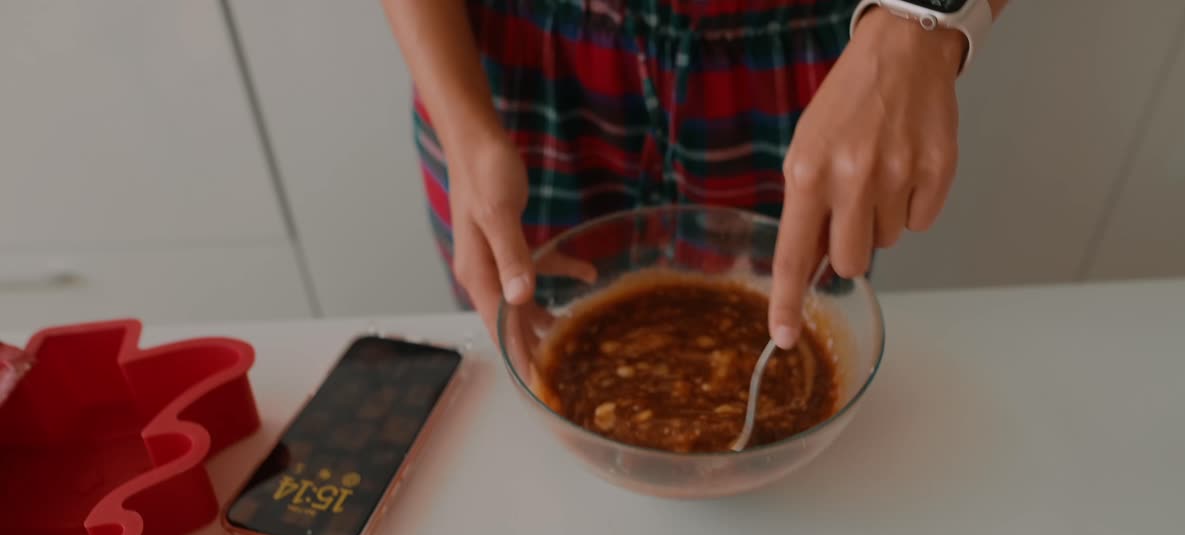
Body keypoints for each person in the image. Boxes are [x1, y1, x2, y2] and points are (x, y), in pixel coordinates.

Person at [382, 0, 1007, 349]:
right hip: (503, 71)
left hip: (823, 65)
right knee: (524, 350)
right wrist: (462, 130)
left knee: (797, 340)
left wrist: (917, 27)